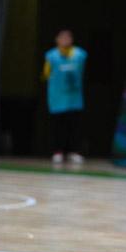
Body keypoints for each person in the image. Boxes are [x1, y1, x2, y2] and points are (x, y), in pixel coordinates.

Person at [43, 29, 87, 164]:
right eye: (62, 38)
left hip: (74, 97)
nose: (65, 40)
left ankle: (73, 151)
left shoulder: (80, 55)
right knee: (58, 126)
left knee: (74, 126)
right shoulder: (51, 56)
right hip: (57, 97)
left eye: (67, 37)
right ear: (57, 40)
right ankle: (58, 151)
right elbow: (46, 75)